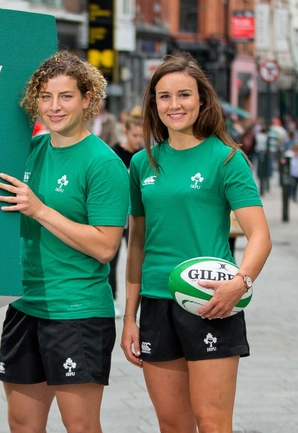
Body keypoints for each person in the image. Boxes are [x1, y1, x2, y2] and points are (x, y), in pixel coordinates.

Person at [121, 52, 272, 432]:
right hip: (156, 304)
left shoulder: (227, 159)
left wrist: (239, 284)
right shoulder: (142, 164)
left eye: (184, 94)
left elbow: (260, 236)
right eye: (165, 96)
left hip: (211, 301)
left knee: (212, 422)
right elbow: (136, 243)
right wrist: (129, 316)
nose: (175, 104)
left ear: (201, 99)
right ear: (154, 105)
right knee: (172, 424)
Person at [0, 51, 129, 433]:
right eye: (46, 96)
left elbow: (105, 247)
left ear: (88, 100)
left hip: (77, 312)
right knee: (22, 424)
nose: (54, 107)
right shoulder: (30, 152)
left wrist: (39, 210)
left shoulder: (103, 164)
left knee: (80, 427)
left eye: (65, 96)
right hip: (24, 306)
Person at [109, 115, 145, 315]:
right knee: (112, 259)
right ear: (126, 132)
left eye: (141, 136)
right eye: (134, 135)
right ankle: (112, 298)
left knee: (139, 256)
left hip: (138, 214)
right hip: (119, 212)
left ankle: (138, 301)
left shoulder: (144, 156)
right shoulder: (114, 153)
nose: (138, 140)